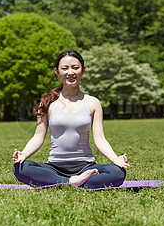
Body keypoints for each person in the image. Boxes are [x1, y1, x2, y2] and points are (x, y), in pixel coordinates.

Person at [12, 50, 129, 189]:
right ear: (57, 71)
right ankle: (72, 182)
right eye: (65, 68)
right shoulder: (48, 102)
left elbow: (100, 139)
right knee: (20, 168)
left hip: (86, 166)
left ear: (83, 70)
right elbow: (38, 136)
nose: (70, 72)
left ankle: (62, 182)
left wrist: (115, 159)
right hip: (54, 167)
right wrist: (23, 154)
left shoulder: (93, 102)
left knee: (117, 173)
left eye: (75, 67)